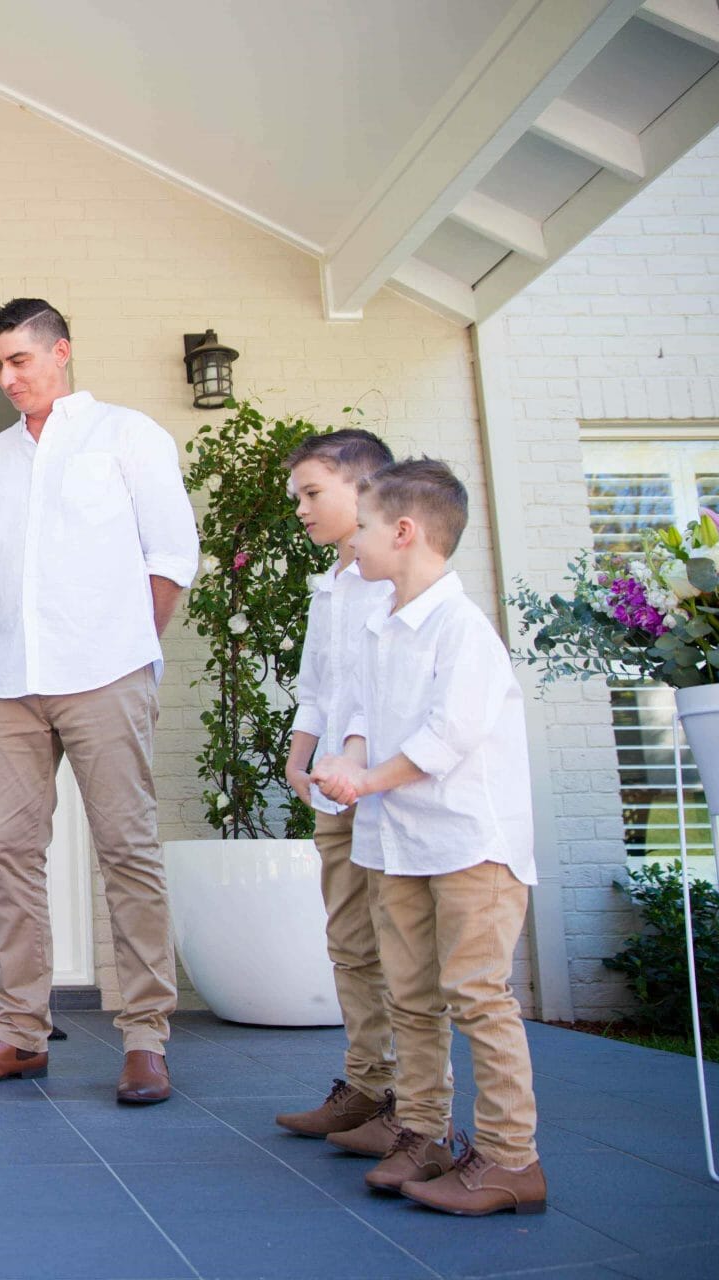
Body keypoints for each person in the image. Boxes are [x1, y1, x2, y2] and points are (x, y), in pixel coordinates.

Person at [0, 299, 198, 1103]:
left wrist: (132, 646)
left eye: (20, 360)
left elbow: (171, 552)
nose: (8, 378)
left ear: (62, 353)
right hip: (14, 679)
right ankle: (19, 1032)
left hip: (107, 670)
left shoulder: (126, 433)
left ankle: (146, 1037)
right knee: (9, 855)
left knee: (127, 850)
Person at [312, 458, 546, 1215]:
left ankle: (513, 1161)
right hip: (398, 845)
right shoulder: (382, 625)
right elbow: (364, 717)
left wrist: (368, 780)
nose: (358, 542)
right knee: (412, 997)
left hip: (468, 846)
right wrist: (347, 757)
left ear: (404, 533)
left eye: (369, 528)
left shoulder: (461, 628)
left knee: (477, 995)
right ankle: (422, 1133)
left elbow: (450, 735)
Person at [274, 428, 442, 1147]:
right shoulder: (331, 587)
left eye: (313, 494)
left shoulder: (395, 581)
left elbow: (387, 698)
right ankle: (367, 1086)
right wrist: (298, 753)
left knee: (400, 946)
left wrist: (355, 762)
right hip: (334, 789)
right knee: (348, 939)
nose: (303, 511)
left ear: (364, 487)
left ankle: (413, 1107)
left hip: (388, 789)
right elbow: (319, 685)